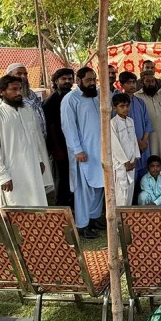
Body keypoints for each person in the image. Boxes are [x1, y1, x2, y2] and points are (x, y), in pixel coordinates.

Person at [0, 75, 52, 209]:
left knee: (37, 205)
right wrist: (2, 177)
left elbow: (33, 139)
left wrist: (39, 160)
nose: (18, 92)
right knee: (16, 209)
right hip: (12, 173)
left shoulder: (27, 110)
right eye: (14, 89)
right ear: (1, 92)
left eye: (20, 89)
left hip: (32, 167)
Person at [61, 67, 106, 239]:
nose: (92, 83)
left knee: (99, 186)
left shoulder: (97, 95)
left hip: (100, 151)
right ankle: (82, 225)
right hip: (83, 153)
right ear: (78, 81)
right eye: (88, 80)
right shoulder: (70, 99)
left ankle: (94, 218)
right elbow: (68, 126)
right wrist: (77, 149)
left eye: (94, 79)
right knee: (84, 190)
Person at [43, 68, 75, 208]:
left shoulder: (73, 97)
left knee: (73, 178)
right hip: (60, 147)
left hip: (73, 145)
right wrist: (57, 149)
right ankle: (61, 208)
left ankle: (73, 206)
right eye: (64, 79)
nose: (67, 81)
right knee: (62, 179)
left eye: (70, 79)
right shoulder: (51, 101)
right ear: (56, 81)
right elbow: (50, 127)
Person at [0, 63, 46, 137]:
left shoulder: (31, 94)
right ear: (9, 76)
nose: (23, 76)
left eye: (25, 74)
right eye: (19, 74)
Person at [119, 71, 153, 190]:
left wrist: (144, 140)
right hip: (129, 146)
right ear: (121, 85)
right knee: (130, 180)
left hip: (143, 146)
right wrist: (137, 142)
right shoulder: (119, 103)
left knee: (144, 178)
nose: (132, 85)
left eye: (133, 82)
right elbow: (121, 126)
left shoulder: (140, 102)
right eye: (128, 83)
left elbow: (148, 122)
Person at [110, 93, 141, 208]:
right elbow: (115, 145)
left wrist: (135, 158)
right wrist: (125, 162)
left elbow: (134, 141)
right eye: (122, 106)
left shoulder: (130, 121)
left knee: (129, 193)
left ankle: (126, 216)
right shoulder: (113, 123)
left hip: (131, 162)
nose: (125, 109)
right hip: (120, 164)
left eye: (127, 106)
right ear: (115, 108)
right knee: (121, 194)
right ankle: (119, 218)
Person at [136, 71, 161, 161]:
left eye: (153, 81)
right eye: (148, 81)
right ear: (142, 82)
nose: (151, 84)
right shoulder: (137, 97)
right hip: (146, 138)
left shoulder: (160, 96)